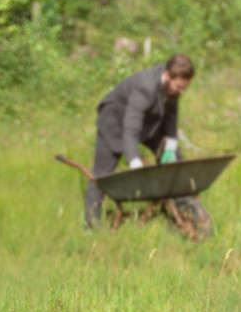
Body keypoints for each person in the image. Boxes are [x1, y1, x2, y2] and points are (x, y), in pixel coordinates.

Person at [83, 53, 196, 227]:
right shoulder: (145, 88)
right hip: (115, 122)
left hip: (146, 123)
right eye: (179, 87)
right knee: (101, 176)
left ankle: (186, 213)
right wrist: (135, 163)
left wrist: (171, 147)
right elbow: (131, 130)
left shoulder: (172, 83)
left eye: (185, 88)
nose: (182, 92)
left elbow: (171, 115)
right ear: (167, 75)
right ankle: (91, 226)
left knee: (176, 160)